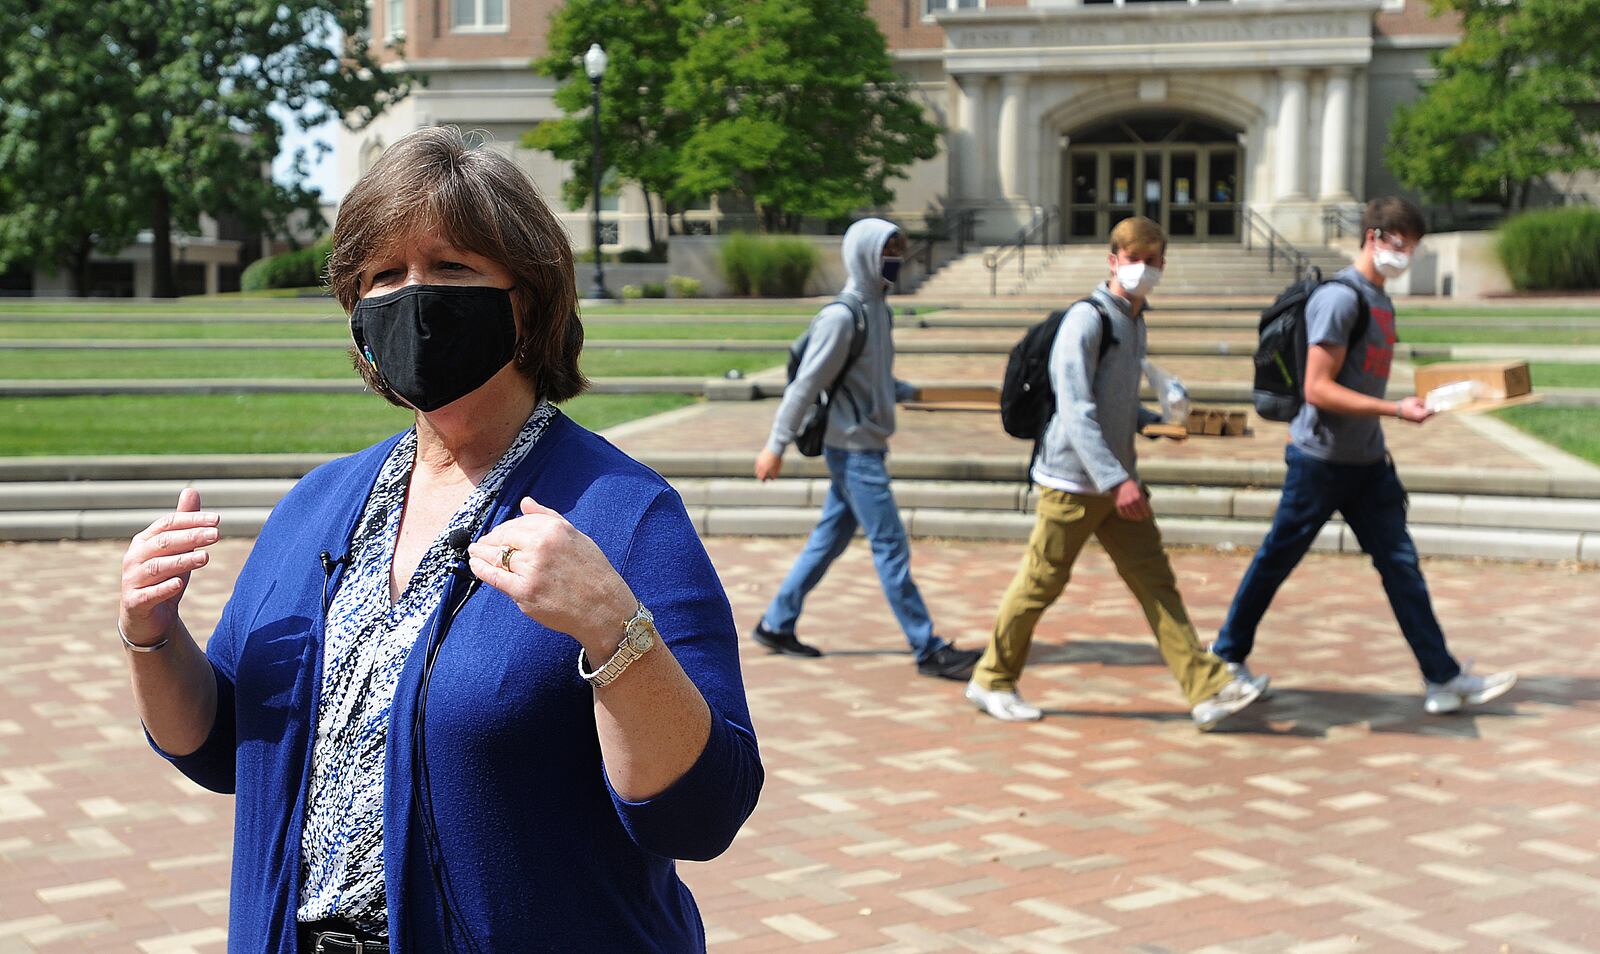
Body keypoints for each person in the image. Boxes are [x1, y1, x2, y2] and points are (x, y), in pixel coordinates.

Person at [116, 126, 762, 953]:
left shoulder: (621, 513)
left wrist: (613, 631)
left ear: (525, 299)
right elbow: (217, 745)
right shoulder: (318, 505)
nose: (413, 297)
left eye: (451, 268)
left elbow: (703, 812)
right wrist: (150, 636)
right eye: (384, 276)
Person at [1211, 196, 1516, 715]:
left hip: (1366, 461)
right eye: (1403, 246)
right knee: (1275, 560)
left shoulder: (1381, 301)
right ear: (1375, 238)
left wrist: (1413, 405)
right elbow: (1317, 388)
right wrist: (1394, 409)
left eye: (1414, 248)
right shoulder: (1340, 299)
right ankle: (1225, 658)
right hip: (1319, 459)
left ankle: (1442, 678)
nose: (1408, 257)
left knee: (1401, 566)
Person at [965, 216, 1265, 729]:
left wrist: (1152, 422)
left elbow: (1111, 402)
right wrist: (1117, 480)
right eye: (1133, 260)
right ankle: (991, 680)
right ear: (1113, 261)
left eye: (1152, 261)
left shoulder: (1135, 319)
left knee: (1156, 584)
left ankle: (1208, 689)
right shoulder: (1086, 320)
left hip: (1114, 479)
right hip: (1073, 482)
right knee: (1039, 583)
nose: (1143, 270)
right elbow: (1076, 410)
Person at [750, 217, 981, 680]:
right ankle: (927, 647)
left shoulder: (880, 309)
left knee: (828, 540)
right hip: (854, 452)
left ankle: (776, 622)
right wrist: (775, 445)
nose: (894, 260)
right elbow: (804, 386)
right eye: (886, 251)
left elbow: (872, 379)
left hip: (863, 446)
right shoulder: (843, 316)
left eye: (898, 250)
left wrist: (908, 392)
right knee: (891, 546)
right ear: (864, 255)